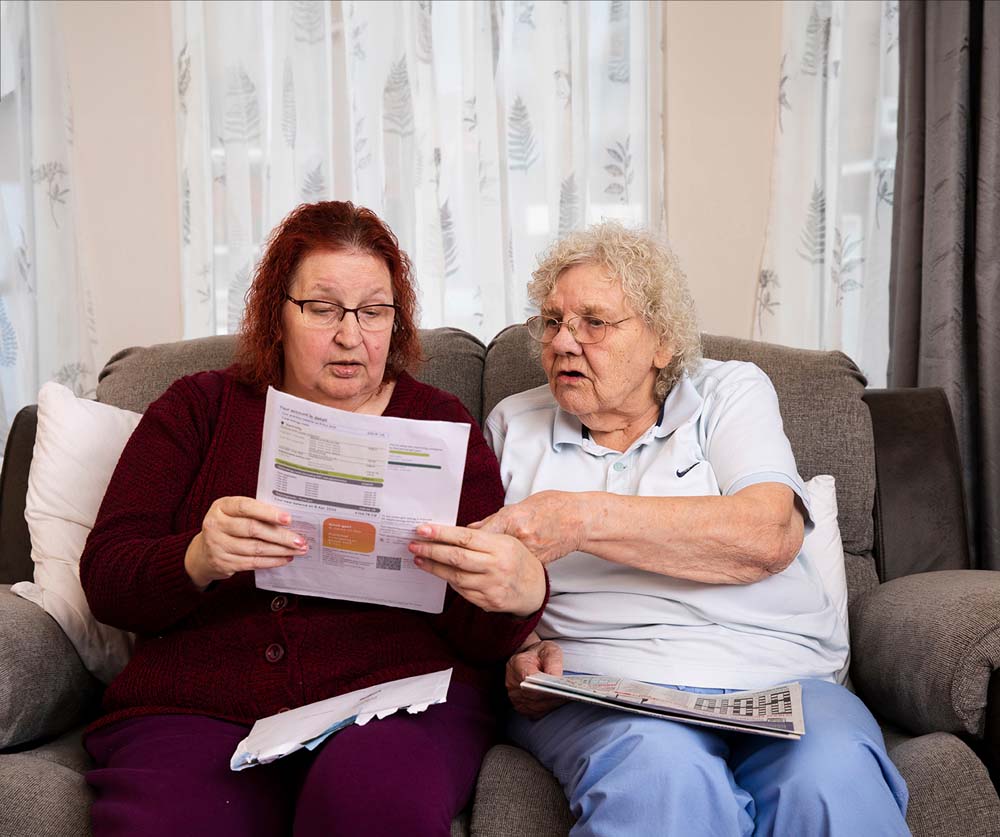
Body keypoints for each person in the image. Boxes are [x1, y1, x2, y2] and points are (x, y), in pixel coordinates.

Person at [413, 222, 909, 836]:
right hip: (603, 686)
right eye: (552, 322)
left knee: (831, 779)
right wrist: (518, 656)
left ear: (663, 342)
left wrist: (580, 517)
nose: (564, 343)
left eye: (594, 322)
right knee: (662, 781)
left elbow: (768, 535)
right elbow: (481, 589)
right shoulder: (514, 425)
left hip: (780, 677)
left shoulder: (729, 393)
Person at [79, 201, 547, 837]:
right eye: (323, 309)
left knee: (372, 807)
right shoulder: (199, 408)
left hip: (394, 700)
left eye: (374, 311)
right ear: (279, 312)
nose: (350, 335)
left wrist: (517, 598)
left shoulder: (441, 425)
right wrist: (196, 557)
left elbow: (479, 637)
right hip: (201, 703)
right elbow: (107, 578)